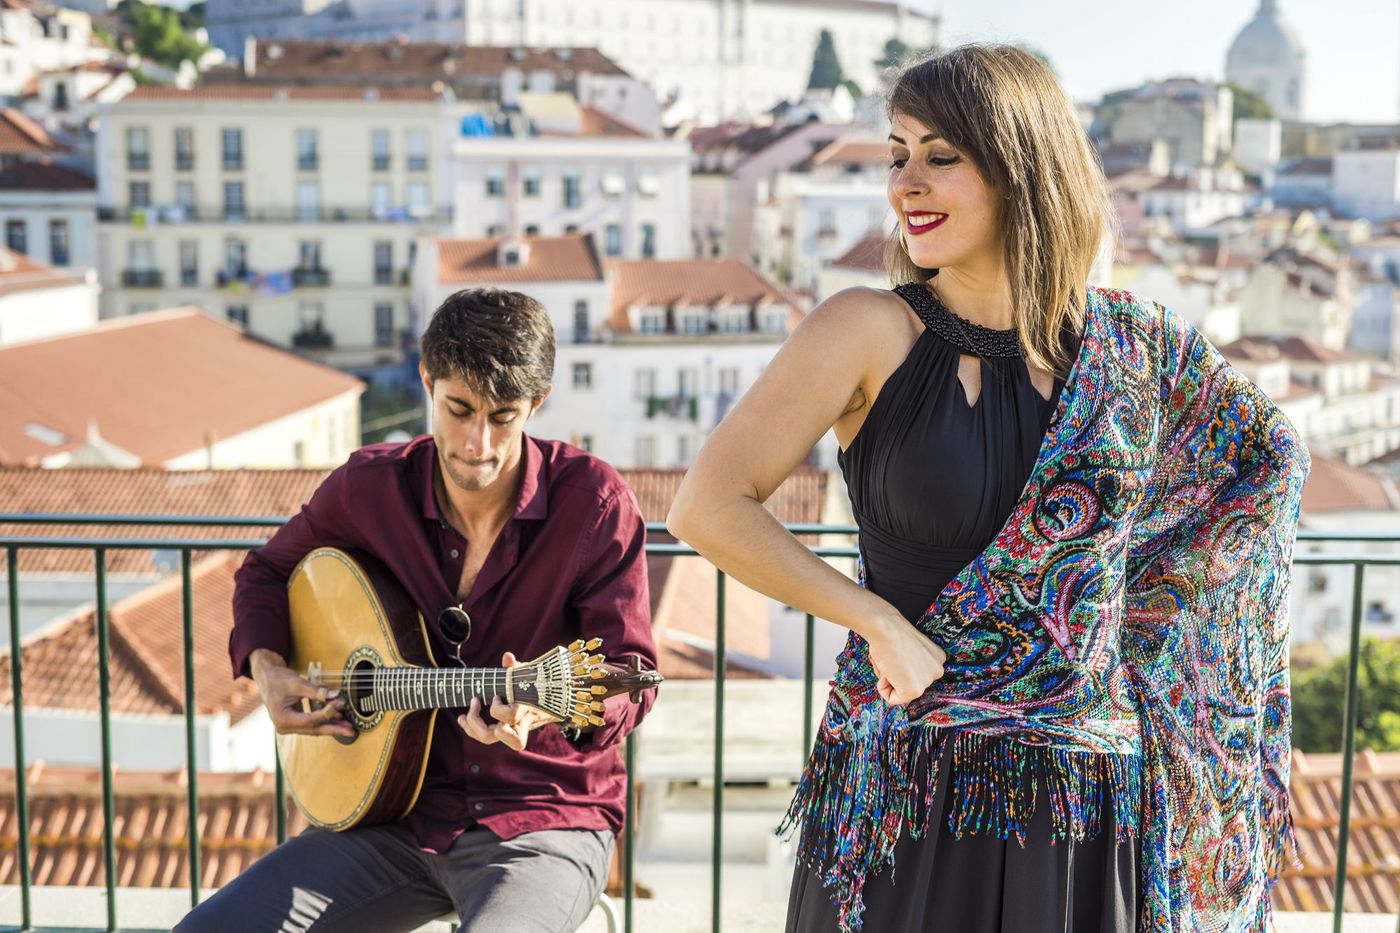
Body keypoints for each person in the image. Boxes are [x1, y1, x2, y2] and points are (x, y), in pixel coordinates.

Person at [667, 44, 1309, 933]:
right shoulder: (865, 328)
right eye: (898, 154)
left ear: (1022, 166)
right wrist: (875, 620)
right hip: (910, 782)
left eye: (941, 155)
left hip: (1086, 799)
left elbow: (1266, 460)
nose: (906, 184)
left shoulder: (1140, 351)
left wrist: (1142, 624)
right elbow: (707, 504)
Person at [178, 287, 657, 933]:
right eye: (458, 409)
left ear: (538, 404)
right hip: (392, 818)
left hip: (545, 817)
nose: (476, 444)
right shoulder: (369, 487)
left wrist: (546, 705)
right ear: (427, 378)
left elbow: (630, 674)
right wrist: (266, 668)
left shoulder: (595, 502)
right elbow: (266, 571)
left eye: (503, 416)